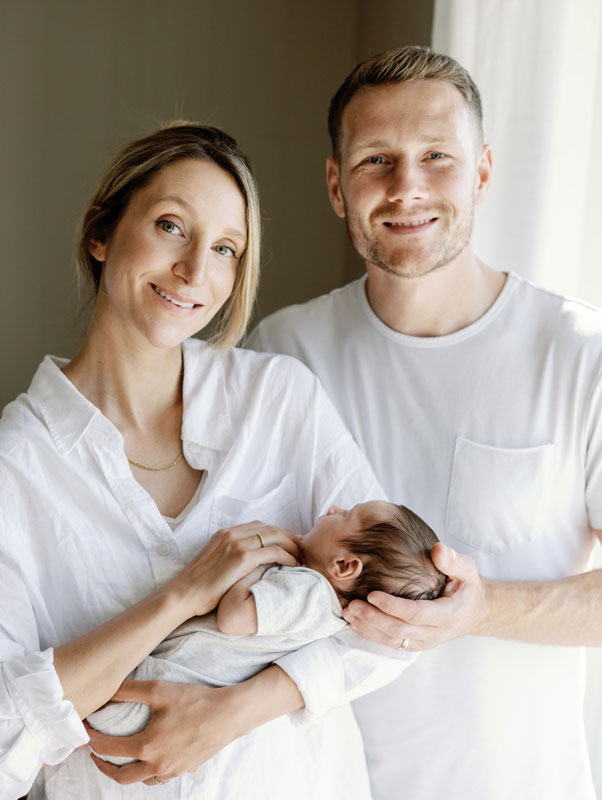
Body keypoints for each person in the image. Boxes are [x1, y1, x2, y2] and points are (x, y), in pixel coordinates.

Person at [0, 122, 413, 800]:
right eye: (171, 226)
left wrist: (234, 712)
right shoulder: (18, 467)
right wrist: (181, 597)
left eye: (226, 248)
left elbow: (391, 611)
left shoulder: (281, 401)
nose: (196, 271)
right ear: (100, 233)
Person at [246, 45, 602, 800]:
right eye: (377, 160)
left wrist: (482, 609)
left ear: (481, 172)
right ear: (338, 187)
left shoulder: (580, 356)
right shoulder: (279, 355)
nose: (406, 187)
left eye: (437, 156)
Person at [88, 499, 445, 762]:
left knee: (82, 695)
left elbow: (234, 618)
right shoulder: (326, 608)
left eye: (346, 517)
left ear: (344, 566)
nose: (333, 509)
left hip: (149, 691)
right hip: (158, 698)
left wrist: (256, 565)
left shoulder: (310, 592)